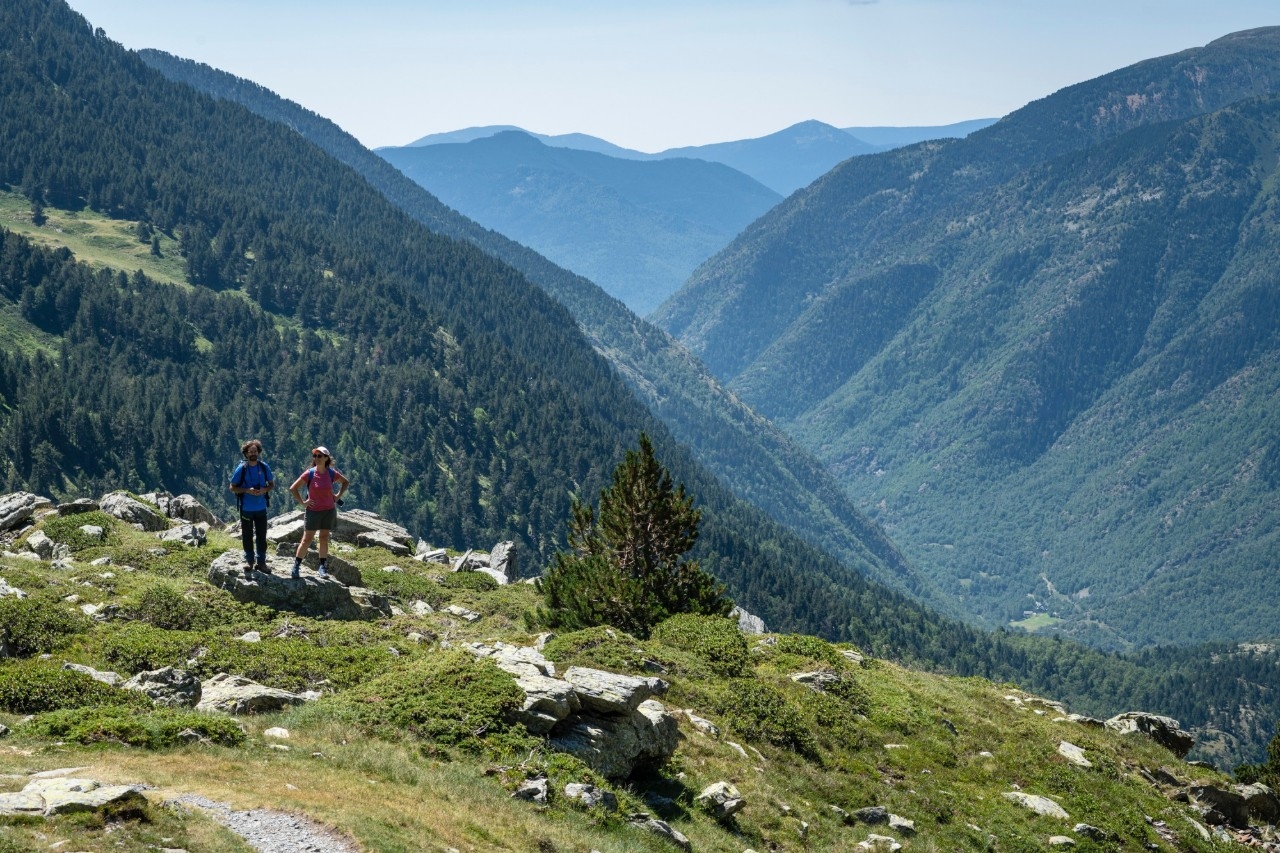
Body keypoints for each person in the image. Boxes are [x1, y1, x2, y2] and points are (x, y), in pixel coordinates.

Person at [288, 446, 349, 579]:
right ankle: (296, 566)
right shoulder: (309, 473)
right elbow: (293, 488)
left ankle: (322, 567)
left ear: (326, 458)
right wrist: (303, 503)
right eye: (315, 456)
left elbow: (345, 482)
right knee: (306, 539)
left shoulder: (331, 473)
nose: (316, 458)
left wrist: (337, 496)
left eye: (319, 456)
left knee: (324, 538)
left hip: (328, 510)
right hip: (313, 511)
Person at [229, 439, 274, 576]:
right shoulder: (241, 469)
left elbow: (272, 484)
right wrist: (247, 490)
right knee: (247, 536)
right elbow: (232, 487)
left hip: (261, 508)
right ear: (246, 453)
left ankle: (261, 562)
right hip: (246, 508)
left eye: (255, 451)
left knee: (262, 536)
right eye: (250, 452)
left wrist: (264, 490)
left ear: (258, 452)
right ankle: (249, 561)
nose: (253, 453)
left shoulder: (264, 467)